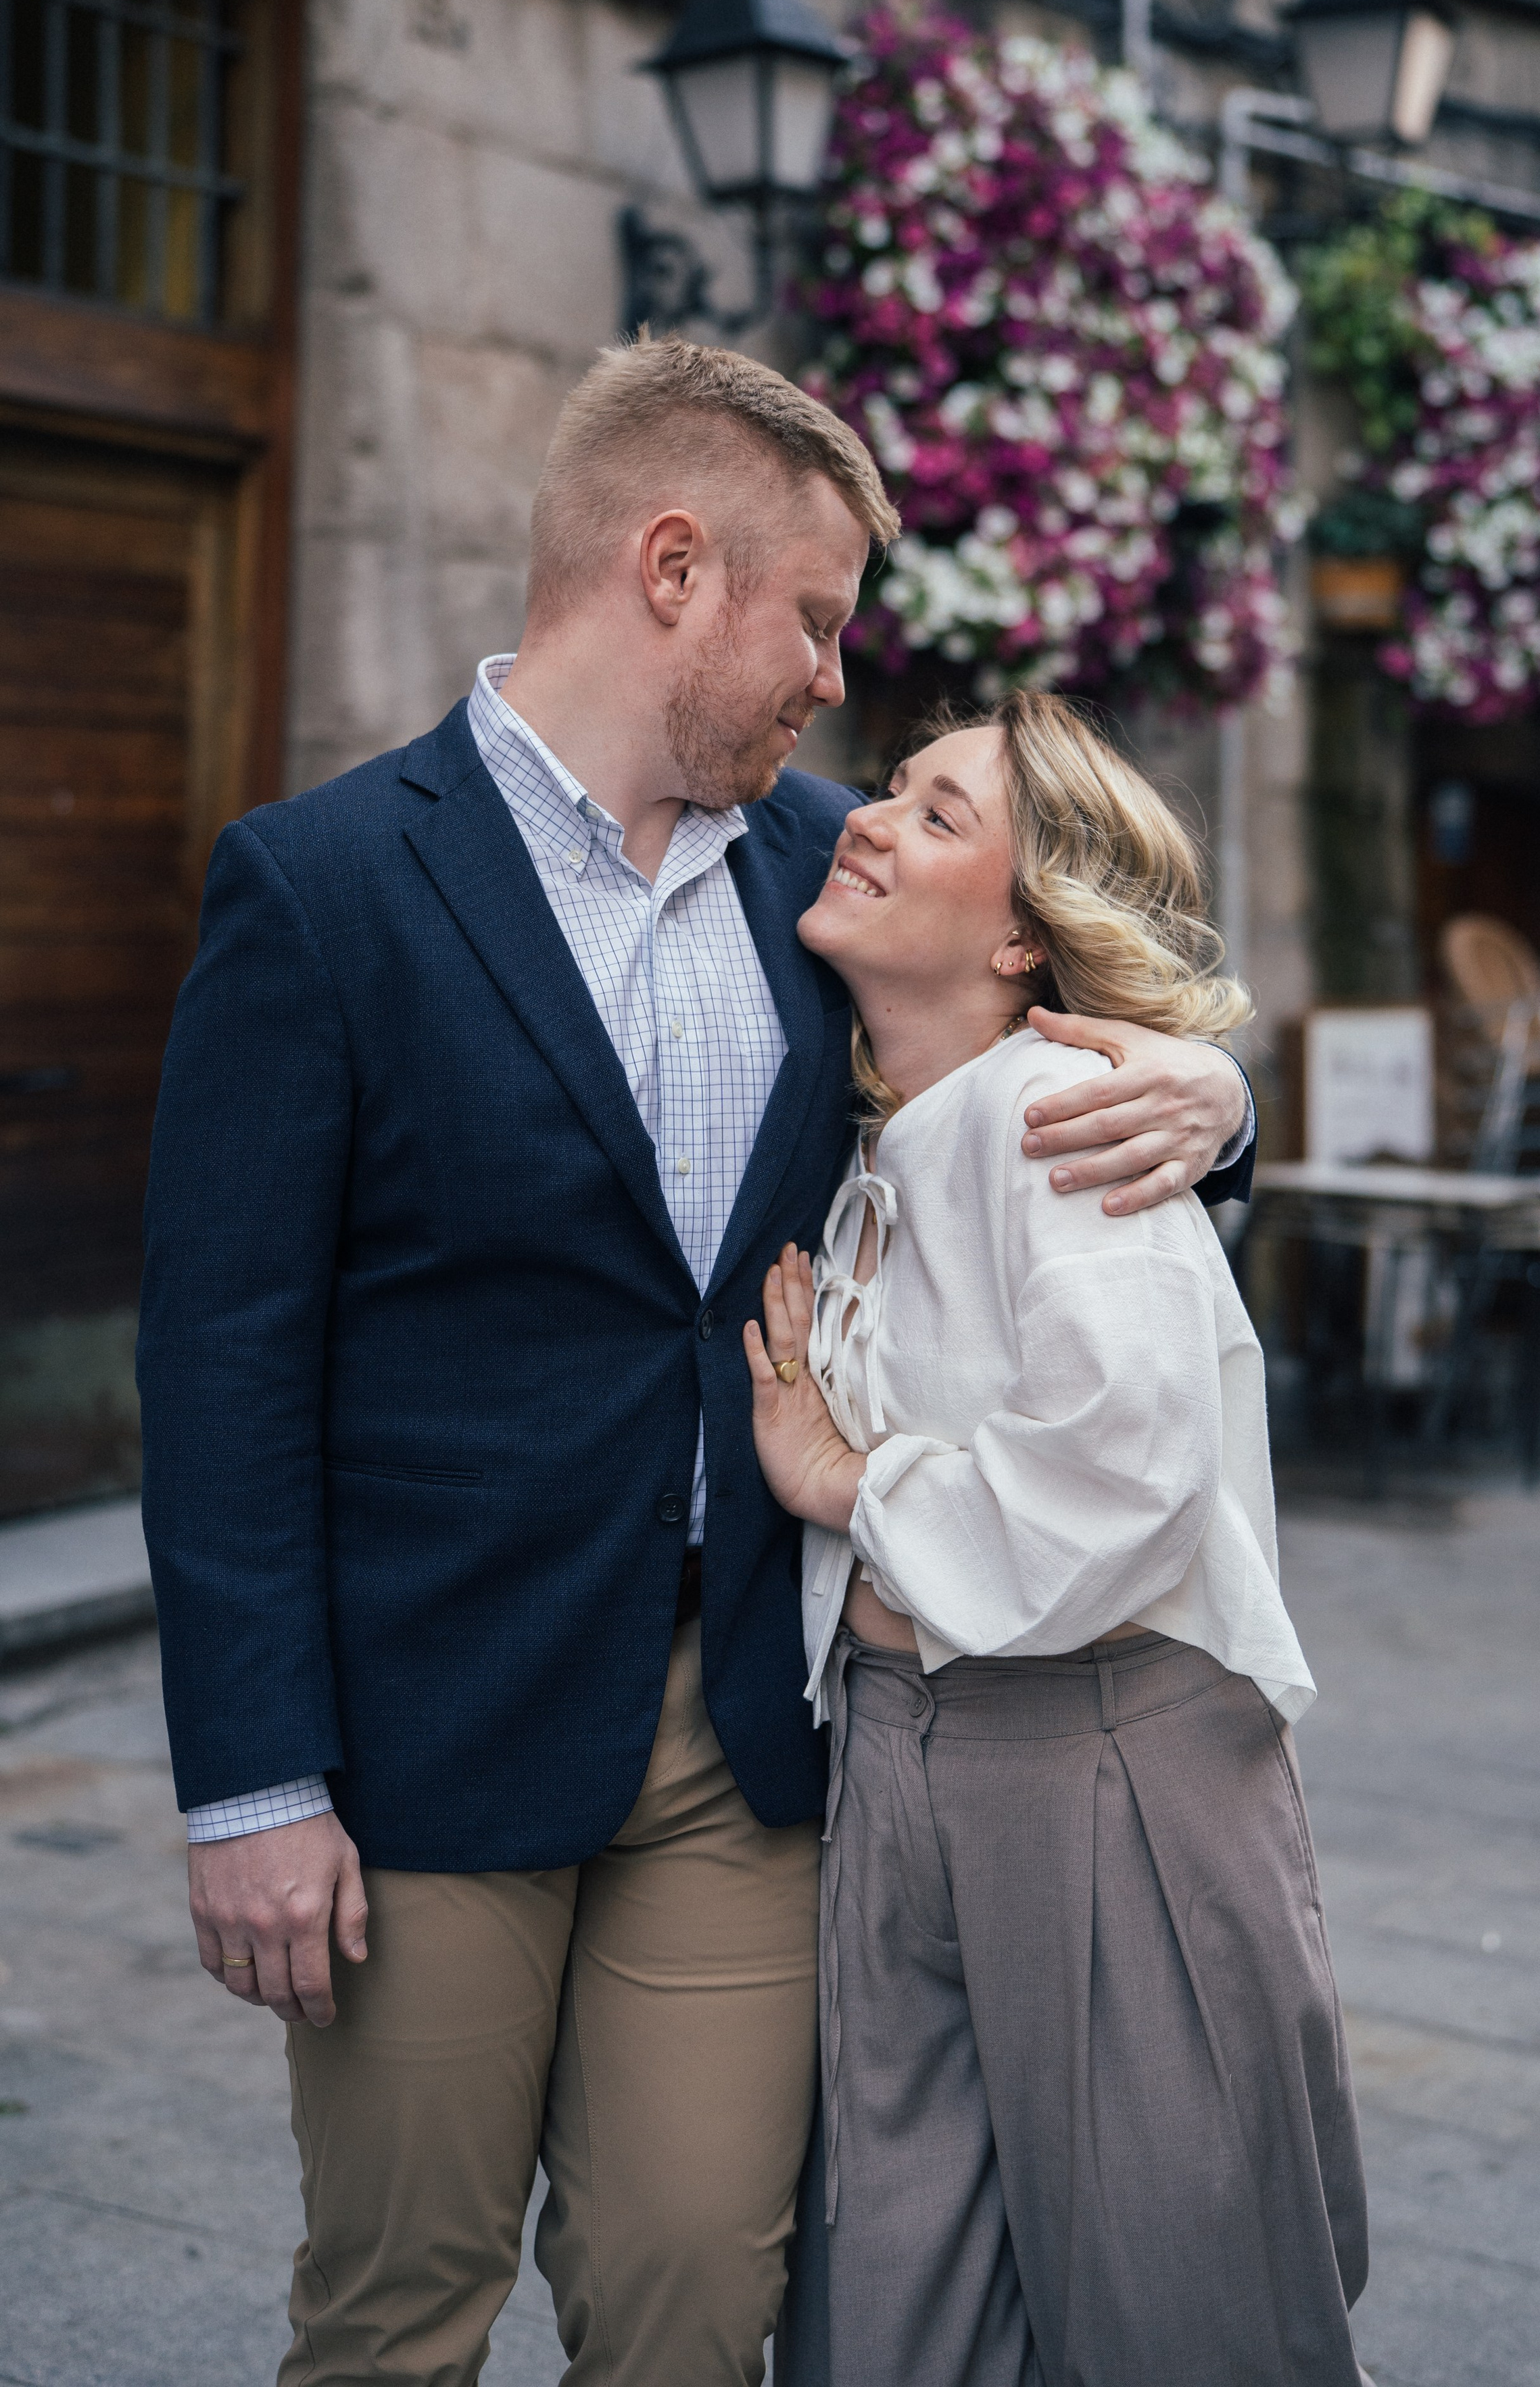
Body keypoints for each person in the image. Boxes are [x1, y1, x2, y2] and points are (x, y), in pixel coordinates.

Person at [136, 337, 1258, 2387]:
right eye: (815, 617)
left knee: (693, 2310)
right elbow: (218, 1365)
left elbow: (1050, 1003)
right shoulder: (322, 887)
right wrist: (251, 1784)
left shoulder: (830, 877)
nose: (836, 676)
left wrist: (1214, 1097)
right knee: (399, 2313)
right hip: (427, 1737)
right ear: (674, 569)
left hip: (744, 1724)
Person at [746, 692, 1367, 2387]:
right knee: (892, 2291)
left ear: (1025, 932)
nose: (863, 818)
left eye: (935, 814)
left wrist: (845, 1483)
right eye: (884, 786)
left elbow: (1117, 1469)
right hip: (895, 1751)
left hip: (1096, 1762)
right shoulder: (900, 1128)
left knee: (1175, 2308)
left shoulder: (1060, 1122)